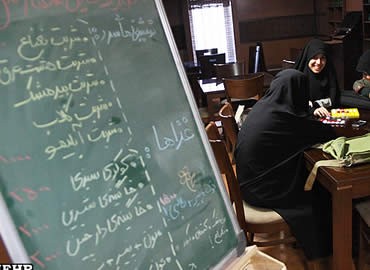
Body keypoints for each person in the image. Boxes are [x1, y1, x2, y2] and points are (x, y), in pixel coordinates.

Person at [235, 69, 337, 261]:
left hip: (246, 185)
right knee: (321, 189)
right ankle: (331, 247)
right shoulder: (287, 118)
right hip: (261, 192)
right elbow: (326, 133)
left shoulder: (266, 107)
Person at [293, 39, 339, 117]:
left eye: (322, 58)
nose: (318, 62)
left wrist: (315, 104)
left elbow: (334, 98)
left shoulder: (329, 74)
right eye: (314, 57)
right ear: (308, 58)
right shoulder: (297, 77)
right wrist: (312, 109)